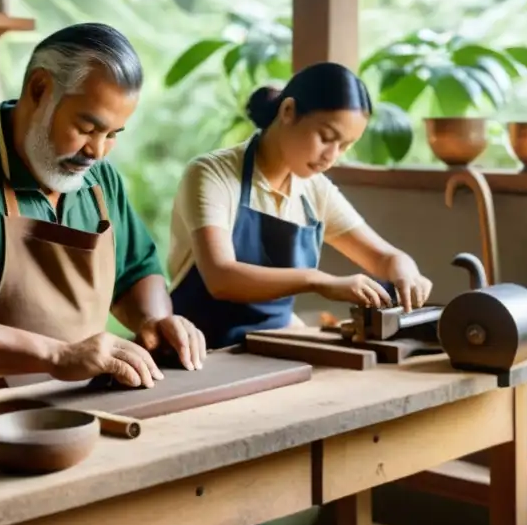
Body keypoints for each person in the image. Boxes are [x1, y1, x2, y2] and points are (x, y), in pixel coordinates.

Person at [0, 22, 206, 409]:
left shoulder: (100, 180)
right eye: (88, 127)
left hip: (65, 416)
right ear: (39, 90)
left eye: (114, 134)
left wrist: (154, 323)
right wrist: (56, 356)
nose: (99, 151)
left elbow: (137, 271)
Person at [167, 61, 434, 350]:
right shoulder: (212, 174)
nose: (331, 156)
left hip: (273, 346)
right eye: (326, 137)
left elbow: (384, 258)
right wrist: (317, 281)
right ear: (288, 112)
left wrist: (406, 272)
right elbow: (220, 277)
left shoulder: (315, 190)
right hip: (197, 351)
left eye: (344, 146)